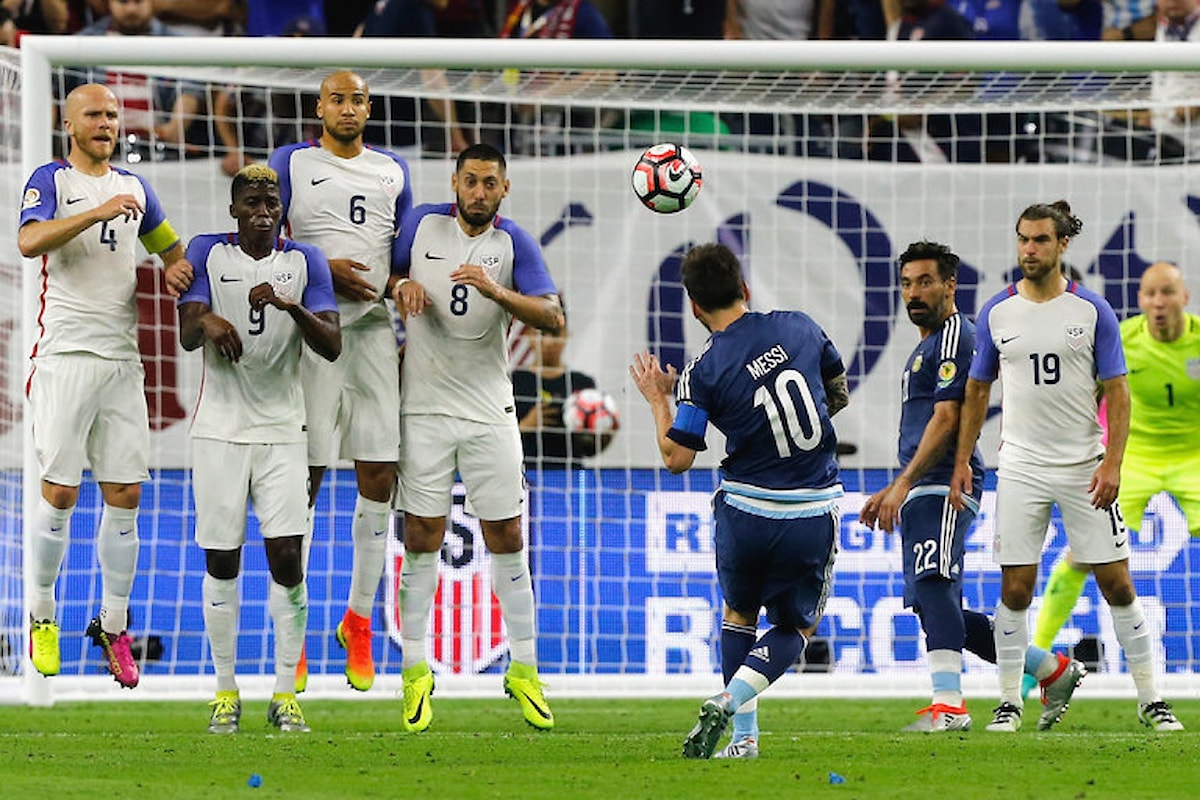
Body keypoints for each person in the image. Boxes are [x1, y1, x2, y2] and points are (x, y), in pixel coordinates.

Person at [950, 201, 1184, 732]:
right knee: (1015, 588)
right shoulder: (996, 312)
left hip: (1085, 466)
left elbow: (1119, 394)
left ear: (1062, 245)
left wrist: (1113, 464)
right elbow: (977, 389)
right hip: (1022, 467)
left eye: (1039, 241)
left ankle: (1152, 701)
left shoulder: (1092, 311)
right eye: (1023, 240)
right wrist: (963, 459)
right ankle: (1009, 702)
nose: (1028, 250)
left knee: (1118, 584)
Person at [629, 242, 849, 759]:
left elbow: (677, 458)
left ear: (693, 307)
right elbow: (835, 393)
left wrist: (659, 400)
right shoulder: (801, 326)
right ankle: (729, 703)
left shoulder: (701, 372)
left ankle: (746, 739)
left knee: (738, 614)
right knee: (795, 627)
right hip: (809, 507)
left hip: (744, 509)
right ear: (744, 288)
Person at [859, 240, 1084, 732]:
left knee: (935, 582)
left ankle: (949, 705)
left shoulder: (955, 335)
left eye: (924, 281)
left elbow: (948, 416)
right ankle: (1052, 669)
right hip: (924, 482)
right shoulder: (925, 344)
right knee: (932, 600)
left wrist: (901, 484)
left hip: (943, 480)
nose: (913, 292)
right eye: (906, 283)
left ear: (950, 285)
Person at [18, 82, 193, 687]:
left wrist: (177, 269)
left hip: (122, 361)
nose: (106, 122)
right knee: (61, 495)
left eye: (113, 114)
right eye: (94, 113)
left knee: (126, 496)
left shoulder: (136, 187)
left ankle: (113, 625)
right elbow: (28, 240)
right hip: (65, 354)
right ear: (70, 124)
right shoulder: (53, 180)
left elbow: (171, 250)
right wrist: (91, 213)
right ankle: (41, 614)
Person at [391, 142, 564, 732]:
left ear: (504, 189)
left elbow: (554, 318)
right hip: (424, 408)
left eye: (490, 183)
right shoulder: (421, 224)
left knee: (507, 533)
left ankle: (525, 669)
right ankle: (415, 669)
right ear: (455, 181)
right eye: (471, 181)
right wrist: (400, 287)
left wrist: (498, 293)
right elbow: (387, 269)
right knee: (420, 534)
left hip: (491, 409)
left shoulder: (513, 243)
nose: (480, 193)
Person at [178, 164, 341, 733]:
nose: (263, 210)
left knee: (288, 561)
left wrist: (290, 306)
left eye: (271, 201)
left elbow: (332, 345)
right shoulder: (207, 253)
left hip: (282, 431)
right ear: (234, 211)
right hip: (219, 430)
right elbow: (186, 330)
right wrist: (212, 320)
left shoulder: (306, 263)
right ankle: (225, 690)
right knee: (222, 561)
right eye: (251, 202)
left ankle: (283, 693)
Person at [268, 70, 412, 693]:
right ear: (320, 107)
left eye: (357, 99)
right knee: (306, 479)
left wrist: (394, 283)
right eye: (337, 99)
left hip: (375, 333)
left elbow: (402, 254)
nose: (347, 108)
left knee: (379, 473)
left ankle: (358, 619)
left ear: (369, 108)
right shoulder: (291, 162)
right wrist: (323, 265)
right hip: (312, 334)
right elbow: (259, 231)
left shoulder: (394, 171)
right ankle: (293, 636)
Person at [1030, 261, 1200, 680]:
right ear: (1141, 300)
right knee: (1084, 553)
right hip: (1133, 456)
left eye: (1167, 293)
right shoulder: (1124, 340)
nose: (1159, 302)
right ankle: (1033, 666)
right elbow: (1084, 396)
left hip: (1194, 456)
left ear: (1185, 297)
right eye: (1150, 294)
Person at [512, 315, 613, 470]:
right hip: (525, 475)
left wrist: (601, 437)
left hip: (570, 475)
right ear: (528, 335)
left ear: (567, 335)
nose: (549, 342)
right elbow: (495, 439)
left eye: (555, 334)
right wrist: (525, 426)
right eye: (542, 334)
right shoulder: (515, 381)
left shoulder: (582, 384)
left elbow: (590, 448)